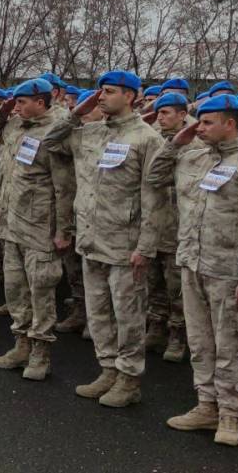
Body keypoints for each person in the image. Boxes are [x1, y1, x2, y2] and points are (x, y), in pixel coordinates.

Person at [147, 94, 238, 447]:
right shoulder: (193, 157)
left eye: (206, 122)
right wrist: (176, 142)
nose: (198, 127)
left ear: (230, 124)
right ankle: (206, 406)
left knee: (229, 345)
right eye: (197, 121)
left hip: (229, 271)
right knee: (200, 342)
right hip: (191, 263)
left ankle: (231, 415)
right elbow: (155, 176)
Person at [62, 71, 164, 408]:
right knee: (98, 312)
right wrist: (77, 111)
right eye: (99, 92)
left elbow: (154, 198)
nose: (101, 97)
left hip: (125, 243)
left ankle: (129, 378)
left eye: (108, 92)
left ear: (131, 96)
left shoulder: (146, 139)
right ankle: (107, 369)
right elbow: (52, 141)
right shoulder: (90, 133)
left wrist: (146, 247)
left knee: (129, 314)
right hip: (92, 238)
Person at [0, 78, 74, 379]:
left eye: (23, 101)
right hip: (11, 224)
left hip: (40, 228)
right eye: (16, 101)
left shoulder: (56, 131)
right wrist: (6, 108)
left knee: (41, 292)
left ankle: (40, 353)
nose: (18, 106)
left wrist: (64, 230)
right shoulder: (13, 126)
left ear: (41, 100)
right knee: (15, 290)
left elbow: (64, 187)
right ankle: (21, 343)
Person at [143, 93, 201, 364]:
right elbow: (150, 179)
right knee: (153, 282)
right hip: (154, 223)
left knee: (176, 287)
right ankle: (155, 327)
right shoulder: (156, 140)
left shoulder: (197, 146)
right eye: (158, 113)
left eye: (165, 113)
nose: (160, 117)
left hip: (180, 226)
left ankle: (177, 334)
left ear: (182, 114)